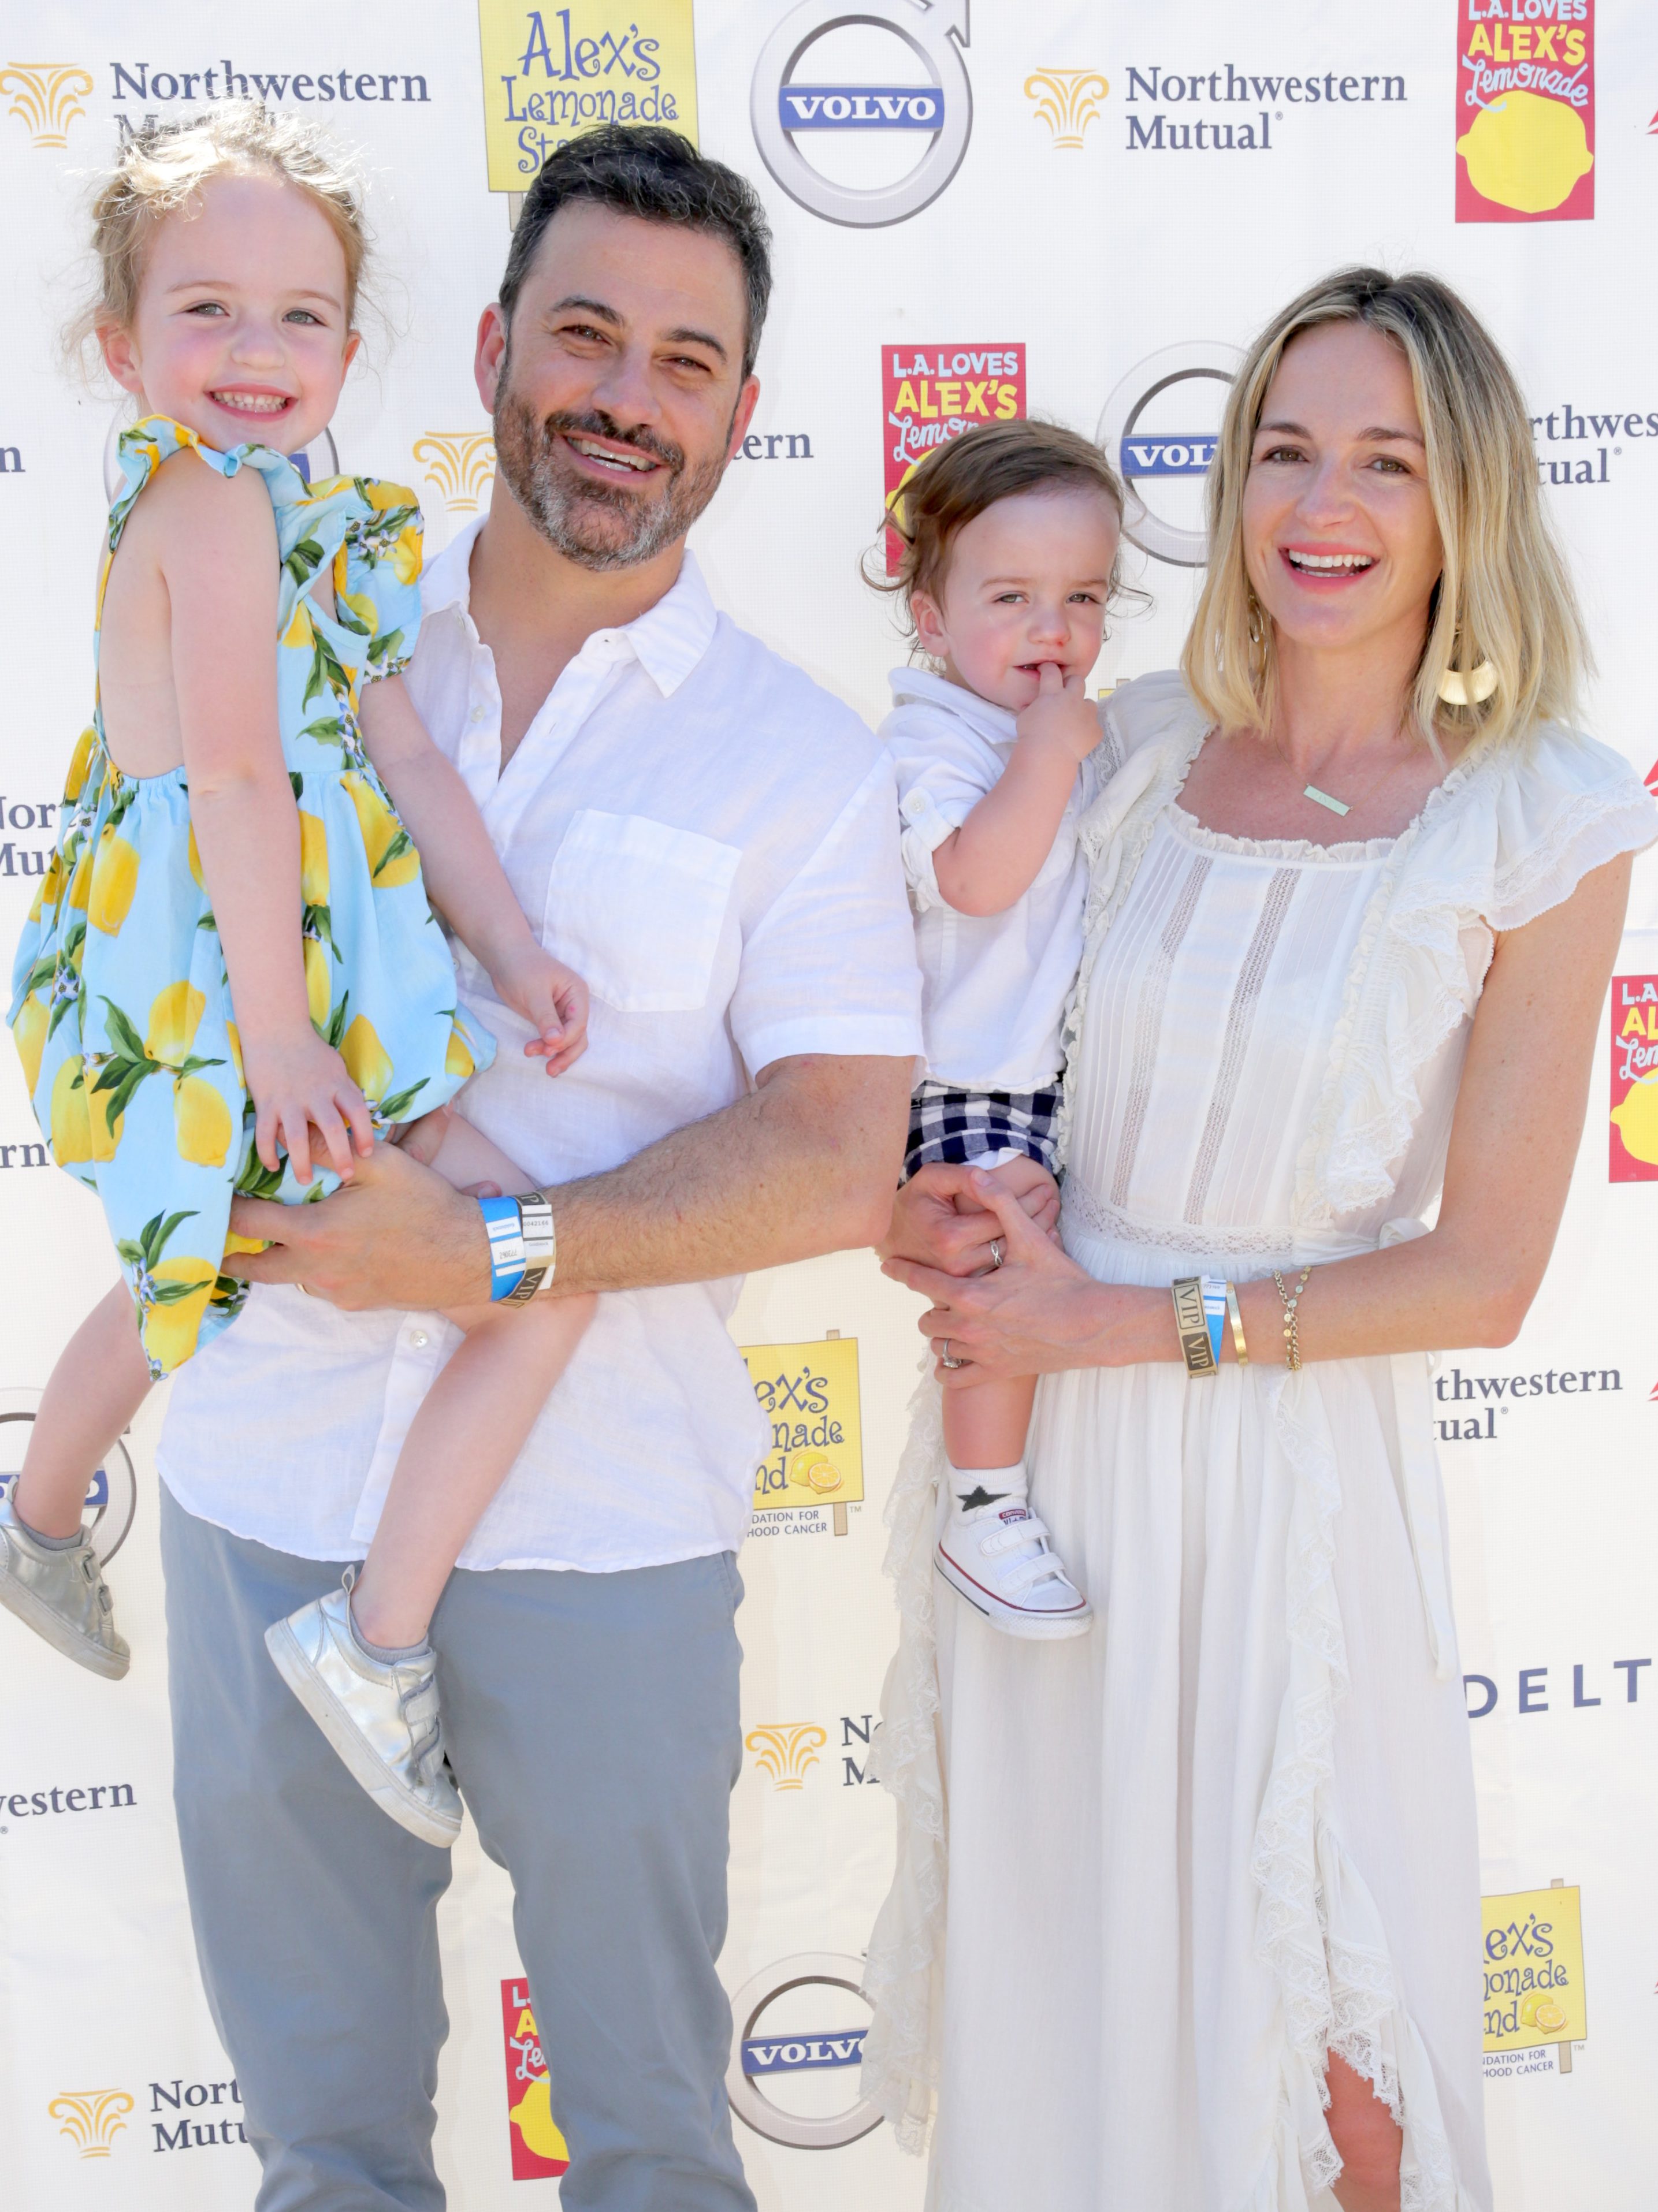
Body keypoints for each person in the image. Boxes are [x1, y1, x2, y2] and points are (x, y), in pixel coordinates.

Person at [125, 121, 918, 2212]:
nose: (623, 398)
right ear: (487, 348)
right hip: (266, 1488)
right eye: (582, 333)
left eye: (683, 361)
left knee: (653, 2144)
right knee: (325, 2157)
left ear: (745, 413)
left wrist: (487, 1248)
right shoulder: (295, 628)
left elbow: (844, 1154)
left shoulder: (804, 768)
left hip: (605, 1538)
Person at [864, 269, 1657, 2212]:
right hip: (1040, 1492)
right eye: (1284, 448)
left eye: (1386, 458)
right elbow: (929, 1028)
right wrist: (925, 1217)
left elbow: (1482, 1278)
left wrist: (1108, 1324)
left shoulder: (1544, 810)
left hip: (1298, 1488)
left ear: (1466, 495)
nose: (1324, 501)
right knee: (1078, 2042)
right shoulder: (1113, 741)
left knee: (1342, 2097)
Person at [1, 106, 601, 1851]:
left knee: (217, 1260)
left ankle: (44, 1513)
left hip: (291, 971)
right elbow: (239, 784)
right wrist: (275, 1038)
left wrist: (510, 944)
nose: (255, 353)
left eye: (298, 315)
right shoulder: (201, 503)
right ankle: (370, 1633)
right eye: (205, 312)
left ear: (349, 341)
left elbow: (404, 757)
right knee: (520, 1271)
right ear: (122, 350)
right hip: (214, 984)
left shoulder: (316, 518)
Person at [874, 420, 1129, 1635]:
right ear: (929, 616)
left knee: (1041, 1279)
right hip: (965, 1077)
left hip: (1047, 1076)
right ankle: (984, 1502)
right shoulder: (931, 737)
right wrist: (1041, 753)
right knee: (992, 1282)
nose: (1053, 631)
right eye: (1013, 596)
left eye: (1083, 597)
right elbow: (975, 879)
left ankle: (1014, 1485)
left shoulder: (1059, 729)